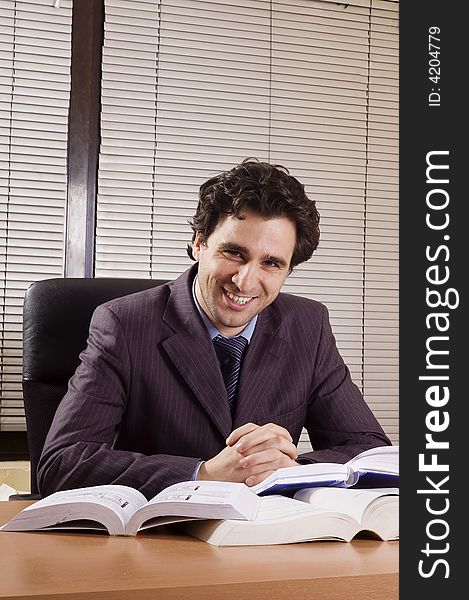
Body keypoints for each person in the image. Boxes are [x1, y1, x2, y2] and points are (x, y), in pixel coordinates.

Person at [37, 158, 391, 499]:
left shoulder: (307, 326)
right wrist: (203, 473)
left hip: (262, 541)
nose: (245, 281)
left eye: (271, 263)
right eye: (234, 253)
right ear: (199, 243)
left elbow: (369, 451)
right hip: (157, 540)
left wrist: (287, 468)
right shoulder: (123, 325)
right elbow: (62, 463)